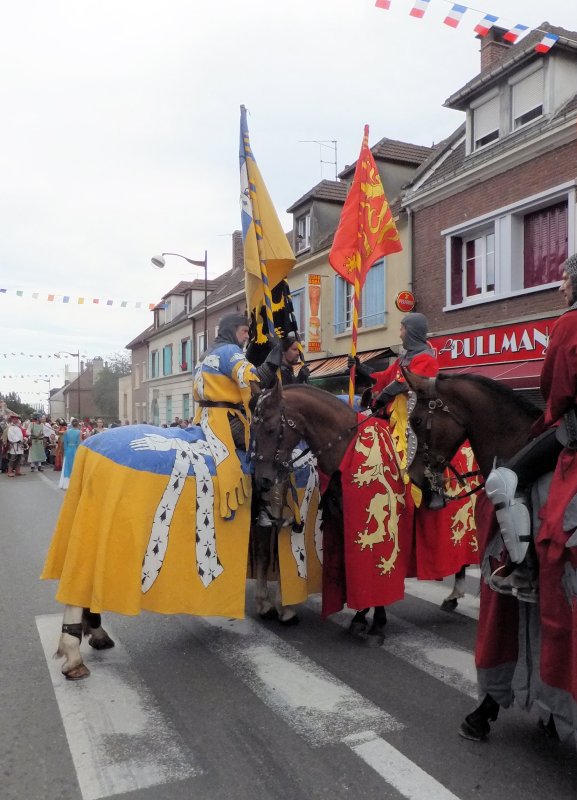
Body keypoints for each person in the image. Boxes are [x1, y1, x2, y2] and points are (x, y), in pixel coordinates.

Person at [485, 254, 577, 600]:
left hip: (573, 430)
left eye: (567, 279)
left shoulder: (570, 323)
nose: (560, 286)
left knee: (505, 479)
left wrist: (549, 415)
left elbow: (555, 386)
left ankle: (525, 573)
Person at [193, 312, 282, 519]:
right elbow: (254, 379)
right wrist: (274, 357)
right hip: (225, 419)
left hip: (203, 416)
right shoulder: (230, 351)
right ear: (232, 330)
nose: (246, 337)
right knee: (265, 449)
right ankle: (264, 508)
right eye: (243, 332)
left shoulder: (206, 353)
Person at [349, 312, 439, 412]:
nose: (400, 335)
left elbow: (404, 382)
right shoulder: (402, 360)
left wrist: (382, 397)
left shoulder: (426, 359)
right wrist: (360, 367)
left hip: (413, 419)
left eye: (402, 329)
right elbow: (383, 377)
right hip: (394, 416)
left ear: (411, 332)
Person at [59, 418, 82, 490]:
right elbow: (79, 443)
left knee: (67, 466)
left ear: (71, 424)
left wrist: (65, 451)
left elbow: (64, 442)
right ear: (78, 424)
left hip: (68, 450)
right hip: (75, 450)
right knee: (74, 466)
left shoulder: (66, 432)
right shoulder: (79, 432)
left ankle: (65, 483)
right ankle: (74, 483)